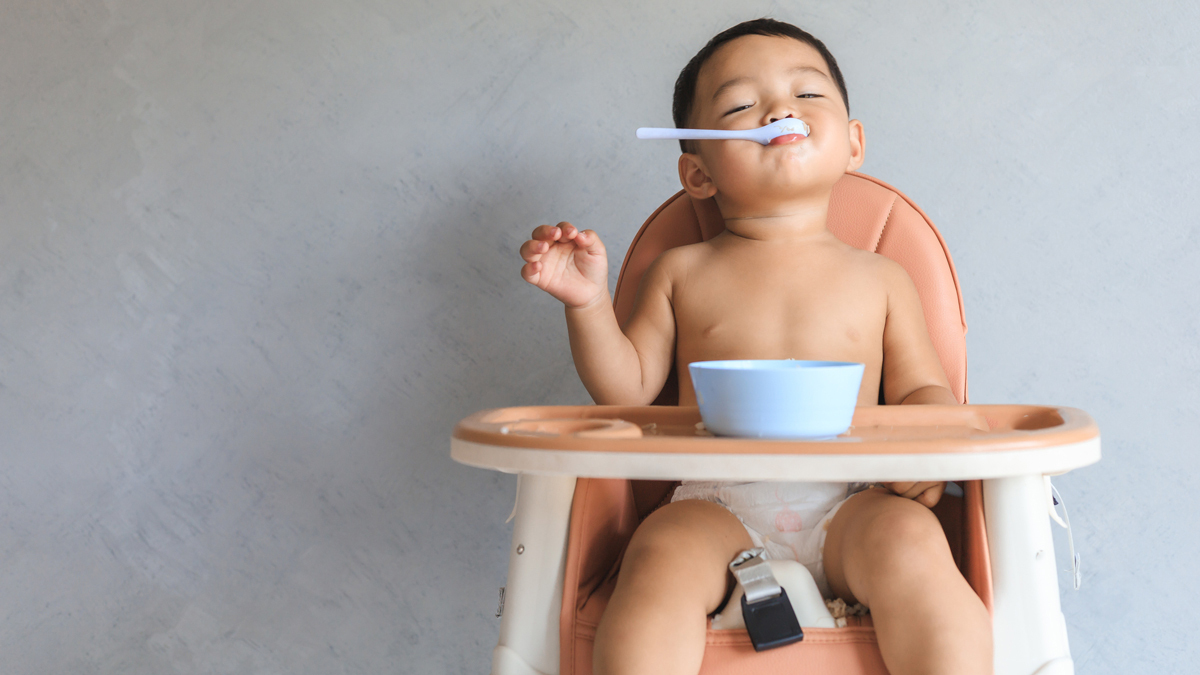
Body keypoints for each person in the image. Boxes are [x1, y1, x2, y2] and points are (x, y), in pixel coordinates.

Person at [518, 18, 992, 675]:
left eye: (808, 94)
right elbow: (627, 390)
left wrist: (929, 451)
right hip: (714, 502)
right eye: (740, 106)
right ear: (698, 173)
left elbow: (922, 390)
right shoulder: (681, 271)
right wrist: (588, 303)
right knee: (658, 552)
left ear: (853, 143)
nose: (779, 111)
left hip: (853, 498)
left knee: (913, 541)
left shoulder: (883, 277)